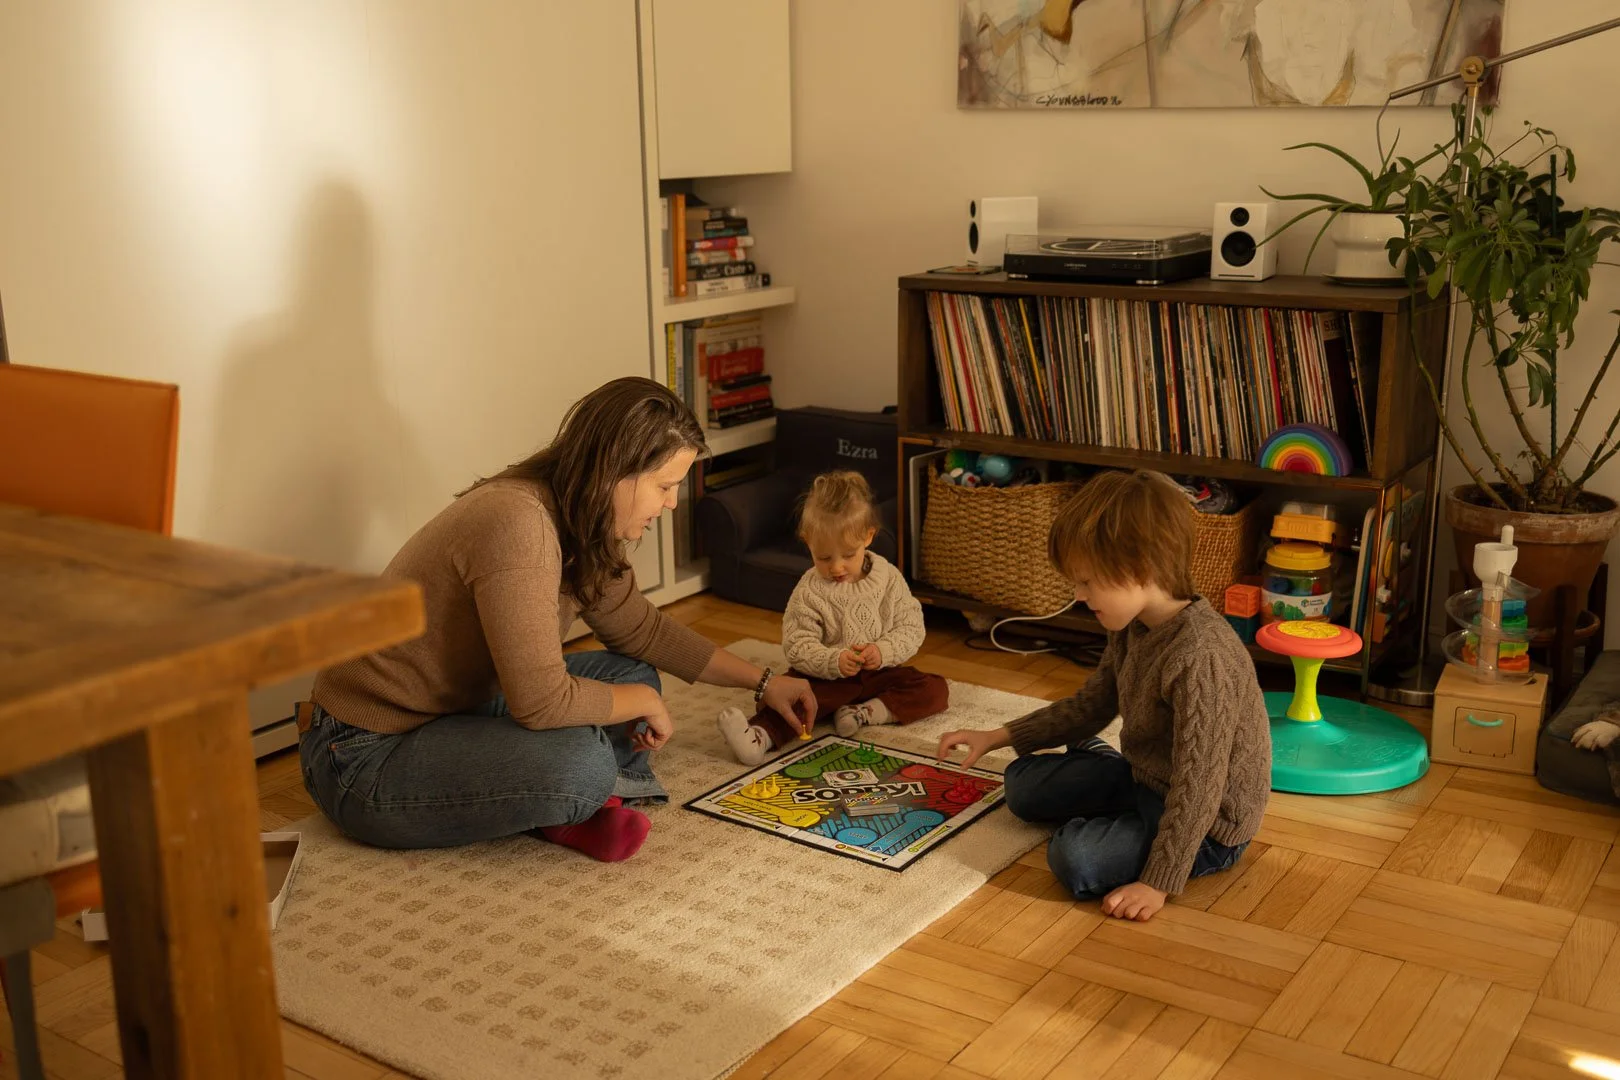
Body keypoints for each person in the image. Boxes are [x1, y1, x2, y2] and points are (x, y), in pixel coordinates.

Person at [299, 377, 816, 860]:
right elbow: (540, 702)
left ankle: (549, 799)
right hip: (363, 753)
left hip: (456, 710)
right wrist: (645, 702)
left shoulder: (581, 518)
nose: (673, 503)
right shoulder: (518, 523)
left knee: (630, 675)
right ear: (615, 471)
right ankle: (570, 798)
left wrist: (764, 681)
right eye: (664, 485)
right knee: (584, 759)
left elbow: (642, 629)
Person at [937, 469, 1270, 921]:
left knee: (1076, 860)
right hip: (1145, 778)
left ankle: (1117, 816)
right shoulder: (1133, 626)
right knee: (1020, 786)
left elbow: (1200, 786)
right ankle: (1107, 783)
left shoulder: (1201, 657)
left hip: (1207, 824)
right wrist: (998, 735)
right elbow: (1092, 704)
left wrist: (1158, 882)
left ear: (1141, 568)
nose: (1078, 595)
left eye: (1088, 582)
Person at [717, 471, 947, 764]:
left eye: (848, 555)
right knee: (794, 696)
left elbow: (911, 626)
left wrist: (883, 651)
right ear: (807, 542)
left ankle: (865, 713)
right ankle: (760, 736)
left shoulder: (888, 577)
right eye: (824, 558)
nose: (837, 567)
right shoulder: (810, 590)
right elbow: (797, 646)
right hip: (825, 679)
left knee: (934, 689)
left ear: (868, 536)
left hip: (880, 675)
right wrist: (833, 661)